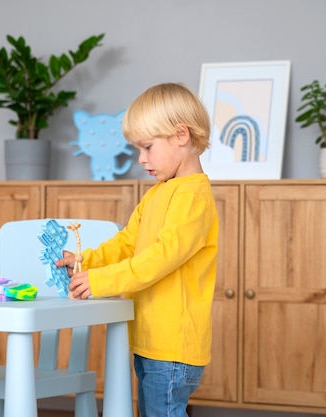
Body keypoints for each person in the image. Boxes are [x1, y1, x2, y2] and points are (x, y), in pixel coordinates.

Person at [56, 82, 218, 417]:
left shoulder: (192, 199)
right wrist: (84, 260)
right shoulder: (159, 193)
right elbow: (128, 242)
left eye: (147, 147)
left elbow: (157, 259)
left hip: (173, 346)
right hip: (151, 340)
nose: (141, 160)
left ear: (181, 135)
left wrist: (100, 281)